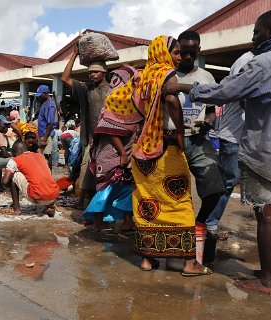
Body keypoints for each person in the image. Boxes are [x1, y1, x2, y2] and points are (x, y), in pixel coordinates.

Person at [162, 8, 271, 294]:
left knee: (267, 213)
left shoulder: (263, 63)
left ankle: (267, 281)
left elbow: (224, 93)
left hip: (268, 151)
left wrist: (181, 87)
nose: (253, 38)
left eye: (256, 32)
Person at [120, 35, 211, 276]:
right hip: (165, 148)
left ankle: (147, 260)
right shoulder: (164, 74)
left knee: (147, 204)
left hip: (142, 152)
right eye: (176, 52)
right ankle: (190, 263)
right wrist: (180, 133)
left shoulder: (142, 77)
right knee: (179, 202)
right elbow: (171, 98)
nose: (179, 57)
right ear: (163, 53)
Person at [175, 30, 226, 262]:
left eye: (191, 52)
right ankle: (171, 237)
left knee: (215, 186)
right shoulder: (166, 75)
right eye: (182, 51)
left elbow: (214, 108)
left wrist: (208, 121)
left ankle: (200, 222)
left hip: (197, 139)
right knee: (170, 191)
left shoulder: (206, 77)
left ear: (198, 51)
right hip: (170, 141)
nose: (186, 56)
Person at [82, 66, 138, 233]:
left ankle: (127, 221)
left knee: (127, 186)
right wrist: (122, 154)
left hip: (125, 150)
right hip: (110, 152)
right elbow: (110, 128)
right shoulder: (115, 100)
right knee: (105, 189)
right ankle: (98, 222)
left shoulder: (130, 101)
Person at [206, 50, 254, 232]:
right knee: (228, 181)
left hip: (250, 136)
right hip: (233, 134)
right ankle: (209, 222)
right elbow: (241, 97)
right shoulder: (246, 61)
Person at [62, 45, 110, 208]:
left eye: (95, 72)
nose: (91, 75)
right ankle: (87, 206)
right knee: (86, 174)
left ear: (104, 73)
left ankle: (99, 209)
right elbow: (65, 78)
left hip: (110, 141)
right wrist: (74, 55)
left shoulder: (114, 91)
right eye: (90, 72)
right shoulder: (85, 89)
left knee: (106, 177)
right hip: (90, 141)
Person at [1, 141, 59, 216]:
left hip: (37, 197)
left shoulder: (15, 160)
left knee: (13, 176)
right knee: (43, 177)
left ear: (15, 151)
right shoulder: (40, 156)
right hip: (53, 196)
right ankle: (50, 206)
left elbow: (5, 182)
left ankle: (16, 209)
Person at [35, 85, 56, 171]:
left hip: (46, 134)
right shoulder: (45, 103)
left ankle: (49, 174)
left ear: (45, 93)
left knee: (47, 155)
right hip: (42, 134)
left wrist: (44, 139)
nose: (39, 97)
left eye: (40, 95)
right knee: (42, 154)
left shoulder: (50, 105)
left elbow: (50, 124)